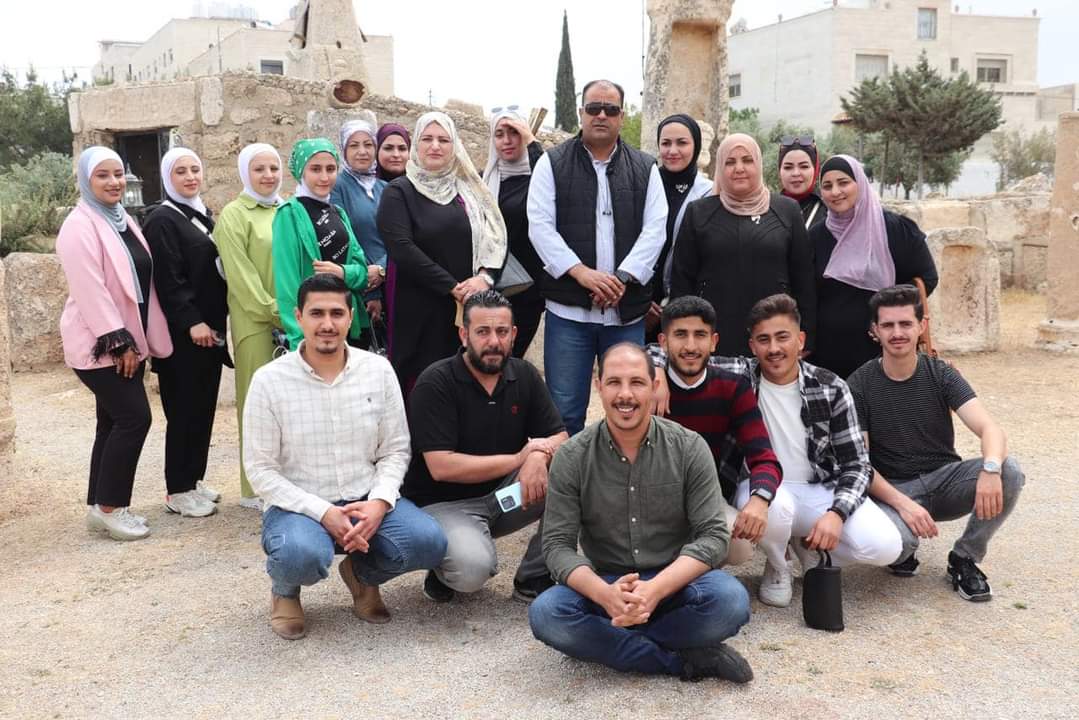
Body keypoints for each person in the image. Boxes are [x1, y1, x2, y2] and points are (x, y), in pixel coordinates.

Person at [529, 343, 752, 683]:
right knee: (547, 614)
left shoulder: (689, 447)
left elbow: (713, 536)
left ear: (654, 386)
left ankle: (612, 639)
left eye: (636, 382)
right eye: (614, 382)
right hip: (607, 583)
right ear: (598, 386)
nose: (625, 395)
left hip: (674, 582)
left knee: (731, 601)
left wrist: (655, 590)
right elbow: (557, 545)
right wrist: (605, 595)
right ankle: (680, 660)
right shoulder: (572, 456)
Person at [244, 273, 448, 640]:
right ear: (298, 317)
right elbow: (260, 471)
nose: (327, 324)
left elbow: (395, 449)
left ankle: (361, 576)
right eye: (316, 313)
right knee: (300, 555)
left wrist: (379, 503)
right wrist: (323, 512)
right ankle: (285, 591)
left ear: (351, 317)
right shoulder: (268, 381)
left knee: (428, 542)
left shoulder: (378, 370)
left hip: (364, 495)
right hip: (298, 507)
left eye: (336, 313)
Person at [849, 285, 1025, 602]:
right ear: (875, 330)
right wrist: (904, 505)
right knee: (895, 545)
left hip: (944, 482)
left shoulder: (941, 374)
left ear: (922, 326)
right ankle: (904, 551)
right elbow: (860, 464)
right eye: (888, 325)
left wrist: (990, 469)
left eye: (906, 323)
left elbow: (990, 429)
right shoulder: (859, 384)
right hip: (894, 489)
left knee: (1009, 471)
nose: (897, 333)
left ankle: (964, 558)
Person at [402, 291, 568, 603]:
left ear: (514, 334)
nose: (494, 341)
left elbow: (561, 437)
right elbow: (441, 466)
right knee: (472, 571)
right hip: (445, 504)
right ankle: (445, 561)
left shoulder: (524, 374)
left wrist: (538, 455)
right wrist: (520, 458)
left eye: (502, 331)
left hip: (503, 496)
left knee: (578, 473)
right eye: (483, 332)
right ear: (464, 335)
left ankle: (533, 576)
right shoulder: (436, 382)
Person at [527, 79, 667, 435]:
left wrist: (622, 277)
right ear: (581, 113)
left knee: (629, 408)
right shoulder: (552, 164)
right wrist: (581, 273)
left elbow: (656, 229)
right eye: (594, 108)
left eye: (611, 109)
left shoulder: (645, 167)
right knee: (564, 411)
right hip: (568, 312)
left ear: (622, 116)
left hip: (625, 313)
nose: (601, 115)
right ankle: (569, 472)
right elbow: (539, 226)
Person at [56, 146, 173, 541]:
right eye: (102, 175)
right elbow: (90, 289)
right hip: (100, 342)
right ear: (85, 180)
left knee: (110, 421)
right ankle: (111, 508)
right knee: (134, 418)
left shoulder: (121, 219)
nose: (114, 182)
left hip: (129, 339)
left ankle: (98, 505)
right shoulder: (79, 226)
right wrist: (118, 343)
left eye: (118, 174)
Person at [377, 112, 507, 397]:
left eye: (443, 140)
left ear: (454, 146)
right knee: (425, 386)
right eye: (427, 139)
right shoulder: (400, 192)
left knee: (467, 384)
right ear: (416, 145)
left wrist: (484, 278)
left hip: (469, 308)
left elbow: (495, 237)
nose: (435, 146)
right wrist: (452, 287)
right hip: (419, 308)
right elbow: (401, 247)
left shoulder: (470, 192)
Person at [670, 133, 816, 357]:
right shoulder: (698, 212)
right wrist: (682, 336)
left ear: (758, 164)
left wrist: (805, 338)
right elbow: (682, 281)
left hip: (774, 340)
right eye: (730, 162)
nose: (739, 168)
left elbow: (804, 280)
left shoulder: (787, 210)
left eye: (747, 160)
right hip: (716, 337)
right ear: (720, 168)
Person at [142, 147, 229, 518]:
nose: (191, 177)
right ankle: (177, 489)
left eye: (195, 169)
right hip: (185, 335)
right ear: (167, 177)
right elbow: (168, 278)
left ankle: (193, 479)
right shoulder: (162, 219)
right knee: (183, 411)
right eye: (181, 171)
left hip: (210, 331)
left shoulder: (200, 213)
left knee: (203, 407)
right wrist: (192, 321)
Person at [810, 155, 938, 378]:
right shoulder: (815, 237)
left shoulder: (895, 229)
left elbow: (926, 278)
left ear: (860, 183)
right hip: (828, 354)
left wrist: (888, 315)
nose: (835, 191)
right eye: (827, 186)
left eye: (843, 182)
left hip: (884, 348)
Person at [214, 142, 285, 508]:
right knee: (257, 406)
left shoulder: (287, 209)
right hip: (257, 325)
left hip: (293, 322)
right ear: (245, 173)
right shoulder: (234, 215)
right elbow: (241, 278)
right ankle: (254, 489)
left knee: (287, 406)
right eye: (259, 169)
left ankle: (285, 481)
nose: (268, 175)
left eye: (274, 168)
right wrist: (277, 311)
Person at [272, 137, 381, 350]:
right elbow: (287, 284)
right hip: (314, 331)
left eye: (330, 169)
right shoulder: (288, 214)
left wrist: (342, 272)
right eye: (315, 169)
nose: (324, 177)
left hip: (350, 325)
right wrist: (299, 342)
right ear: (301, 172)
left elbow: (361, 272)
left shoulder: (338, 212)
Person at [483, 106, 546, 358]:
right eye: (499, 134)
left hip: (526, 291)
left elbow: (554, 180)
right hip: (488, 287)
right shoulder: (485, 181)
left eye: (514, 133)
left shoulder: (538, 181)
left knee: (510, 360)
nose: (507, 141)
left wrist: (532, 142)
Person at [646, 113, 714, 343]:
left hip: (688, 307)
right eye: (666, 143)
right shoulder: (643, 185)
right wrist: (640, 302)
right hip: (640, 307)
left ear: (696, 146)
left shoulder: (709, 193)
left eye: (682, 143)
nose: (672, 151)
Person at [330, 120, 389, 347]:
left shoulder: (385, 188)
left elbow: (399, 237)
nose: (362, 151)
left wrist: (382, 269)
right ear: (344, 150)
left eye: (368, 144)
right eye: (354, 145)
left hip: (391, 278)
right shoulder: (337, 186)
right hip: (360, 288)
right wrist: (371, 293)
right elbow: (344, 238)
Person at [778, 135, 825, 229]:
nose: (796, 173)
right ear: (779, 171)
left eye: (804, 166)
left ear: (815, 169)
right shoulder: (768, 210)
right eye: (788, 167)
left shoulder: (830, 210)